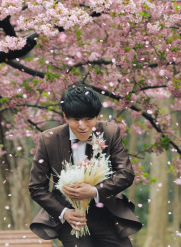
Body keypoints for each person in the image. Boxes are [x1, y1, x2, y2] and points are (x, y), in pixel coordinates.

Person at [29, 83, 142, 247]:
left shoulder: (110, 133)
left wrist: (95, 191)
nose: (82, 126)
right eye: (76, 119)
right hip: (70, 217)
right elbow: (36, 187)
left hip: (106, 214)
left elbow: (126, 174)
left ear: (97, 116)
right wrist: (64, 212)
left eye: (88, 119)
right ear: (65, 116)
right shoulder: (49, 140)